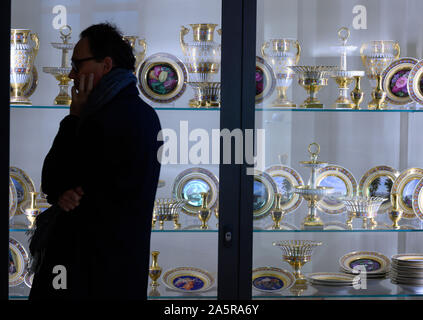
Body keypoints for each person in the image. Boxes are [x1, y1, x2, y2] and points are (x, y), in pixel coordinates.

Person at [29, 22, 162, 300]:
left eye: (78, 65)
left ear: (106, 65)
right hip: (116, 269)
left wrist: (74, 117)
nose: (70, 74)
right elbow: (57, 186)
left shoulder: (102, 117)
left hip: (88, 270)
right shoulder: (140, 114)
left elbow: (54, 180)